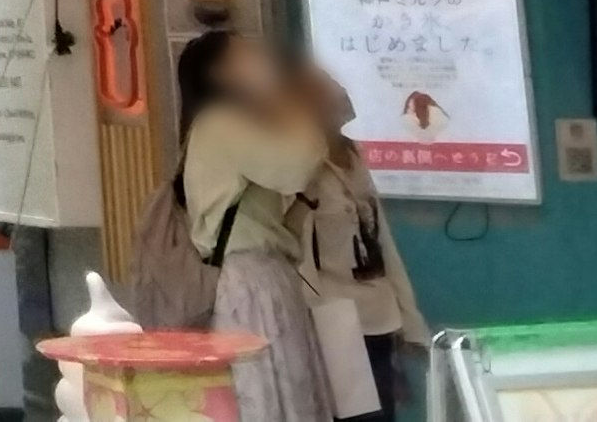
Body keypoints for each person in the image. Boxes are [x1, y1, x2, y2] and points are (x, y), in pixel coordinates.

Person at [174, 30, 339, 422]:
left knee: (281, 396)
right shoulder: (219, 122)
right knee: (266, 400)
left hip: (263, 279)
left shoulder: (228, 123)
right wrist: (290, 105)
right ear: (223, 74)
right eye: (249, 53)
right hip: (249, 286)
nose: (264, 60)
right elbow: (297, 165)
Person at [300, 62, 424, 421]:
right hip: (335, 321)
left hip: (379, 314)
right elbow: (301, 258)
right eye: (321, 87)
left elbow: (382, 240)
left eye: (333, 82)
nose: (339, 91)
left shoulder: (356, 154)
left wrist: (410, 320)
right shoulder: (302, 166)